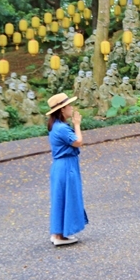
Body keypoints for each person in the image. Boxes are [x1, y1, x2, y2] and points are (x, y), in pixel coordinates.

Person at [46, 92, 88, 246]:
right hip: (66, 166)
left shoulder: (56, 126)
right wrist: (77, 124)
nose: (71, 107)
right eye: (69, 105)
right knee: (67, 196)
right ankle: (59, 235)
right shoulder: (62, 128)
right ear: (62, 110)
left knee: (60, 197)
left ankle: (58, 233)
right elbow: (78, 141)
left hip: (61, 165)